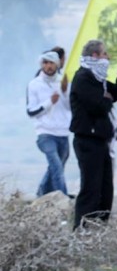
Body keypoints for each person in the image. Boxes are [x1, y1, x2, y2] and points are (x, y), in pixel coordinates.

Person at [69, 40, 117, 229]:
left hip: (101, 139)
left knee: (105, 188)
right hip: (87, 139)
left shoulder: (98, 79)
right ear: (94, 56)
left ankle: (99, 227)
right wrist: (106, 100)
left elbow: (114, 94)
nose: (108, 58)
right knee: (91, 187)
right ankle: (81, 228)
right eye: (104, 54)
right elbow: (97, 105)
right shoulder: (83, 77)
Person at [26, 50, 72, 197]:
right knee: (56, 166)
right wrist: (48, 103)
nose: (48, 66)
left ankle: (41, 194)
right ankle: (63, 197)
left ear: (57, 64)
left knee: (56, 166)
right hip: (45, 133)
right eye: (45, 63)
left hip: (63, 132)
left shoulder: (63, 82)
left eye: (51, 62)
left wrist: (65, 93)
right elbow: (31, 111)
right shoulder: (34, 84)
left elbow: (71, 107)